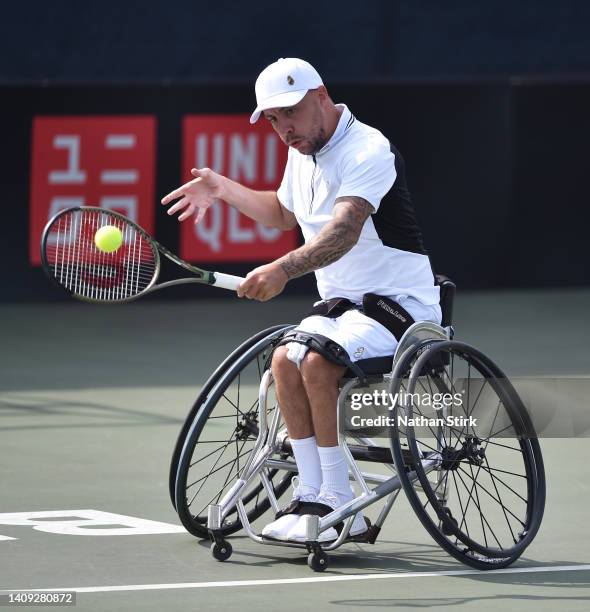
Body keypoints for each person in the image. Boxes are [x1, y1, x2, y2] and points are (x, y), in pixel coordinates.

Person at [162, 57, 441, 543]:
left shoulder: (367, 149)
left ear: (321, 97)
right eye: (272, 119)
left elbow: (343, 232)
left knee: (315, 362)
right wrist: (222, 188)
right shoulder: (303, 151)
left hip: (401, 309)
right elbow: (284, 213)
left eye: (290, 112)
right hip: (342, 310)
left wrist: (282, 269)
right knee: (283, 360)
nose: (283, 128)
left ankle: (337, 497)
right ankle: (312, 490)